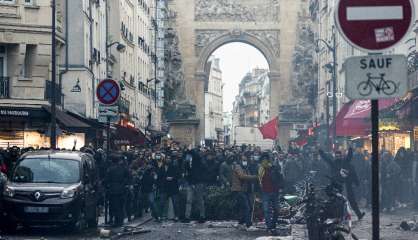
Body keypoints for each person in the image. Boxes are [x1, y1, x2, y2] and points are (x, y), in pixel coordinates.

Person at [319, 148, 365, 220]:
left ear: (341, 156)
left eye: (339, 156)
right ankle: (338, 215)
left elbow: (349, 157)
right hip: (337, 185)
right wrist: (321, 153)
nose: (338, 157)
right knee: (337, 201)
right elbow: (327, 159)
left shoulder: (344, 162)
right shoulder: (333, 163)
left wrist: (350, 150)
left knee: (351, 200)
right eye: (336, 156)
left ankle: (358, 214)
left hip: (346, 185)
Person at [258, 152, 284, 236]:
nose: (264, 161)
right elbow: (259, 180)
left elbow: (280, 178)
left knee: (276, 210)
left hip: (274, 192)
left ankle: (273, 225)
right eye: (263, 160)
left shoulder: (274, 168)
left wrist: (280, 188)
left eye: (266, 159)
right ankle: (269, 227)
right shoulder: (260, 169)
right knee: (266, 210)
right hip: (265, 192)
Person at [231, 154, 257, 230]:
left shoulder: (245, 167)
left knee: (245, 207)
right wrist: (255, 177)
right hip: (239, 190)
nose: (245, 161)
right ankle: (248, 225)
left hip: (244, 190)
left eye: (245, 160)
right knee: (246, 207)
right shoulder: (238, 167)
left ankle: (240, 223)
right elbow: (242, 176)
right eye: (243, 160)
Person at [104, 154, 130, 227]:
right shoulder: (123, 168)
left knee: (115, 206)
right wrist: (125, 184)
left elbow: (106, 180)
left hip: (113, 190)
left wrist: (105, 185)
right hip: (122, 190)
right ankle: (120, 221)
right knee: (120, 206)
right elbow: (129, 177)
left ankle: (116, 222)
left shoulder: (110, 169)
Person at [183, 148, 206, 223]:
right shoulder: (187, 163)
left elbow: (198, 173)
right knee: (189, 200)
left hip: (198, 183)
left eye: (188, 155)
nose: (187, 157)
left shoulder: (197, 161)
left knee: (199, 200)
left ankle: (202, 216)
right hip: (190, 183)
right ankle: (187, 217)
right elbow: (187, 173)